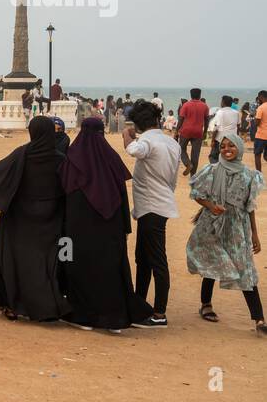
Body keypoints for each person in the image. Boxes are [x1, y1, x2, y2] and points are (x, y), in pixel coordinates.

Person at [0, 116, 71, 321]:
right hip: (50, 218)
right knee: (45, 261)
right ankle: (46, 305)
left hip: (20, 218)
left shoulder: (22, 154)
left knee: (13, 260)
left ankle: (12, 304)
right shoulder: (61, 159)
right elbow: (68, 187)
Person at [59, 118, 153, 332]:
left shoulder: (72, 159)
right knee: (110, 270)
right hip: (111, 228)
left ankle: (82, 317)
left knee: (78, 268)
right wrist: (125, 228)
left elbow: (64, 194)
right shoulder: (111, 159)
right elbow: (121, 196)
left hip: (77, 230)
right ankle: (113, 318)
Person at [187, 134, 264, 332]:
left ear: (239, 148)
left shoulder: (249, 175)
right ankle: (206, 305)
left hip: (238, 226)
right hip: (213, 224)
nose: (227, 149)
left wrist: (255, 234)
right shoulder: (212, 170)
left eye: (231, 146)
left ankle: (259, 320)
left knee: (245, 267)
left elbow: (249, 206)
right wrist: (211, 206)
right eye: (223, 146)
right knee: (214, 261)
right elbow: (196, 194)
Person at [123, 101, 179, 326]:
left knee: (156, 260)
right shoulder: (171, 142)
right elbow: (173, 178)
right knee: (144, 258)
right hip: (158, 205)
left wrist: (128, 136)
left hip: (152, 207)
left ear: (137, 125)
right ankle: (140, 304)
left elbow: (134, 151)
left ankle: (159, 313)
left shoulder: (146, 140)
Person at [176, 88, 210, 177]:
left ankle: (188, 164)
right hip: (198, 132)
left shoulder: (186, 105)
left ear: (191, 95)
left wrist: (176, 131)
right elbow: (207, 120)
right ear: (200, 95)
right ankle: (193, 175)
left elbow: (181, 119)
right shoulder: (205, 106)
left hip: (185, 131)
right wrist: (205, 132)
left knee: (181, 149)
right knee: (195, 153)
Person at [254, 89, 267, 173]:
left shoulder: (261, 107)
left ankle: (259, 174)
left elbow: (257, 122)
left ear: (261, 97)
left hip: (261, 135)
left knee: (257, 155)